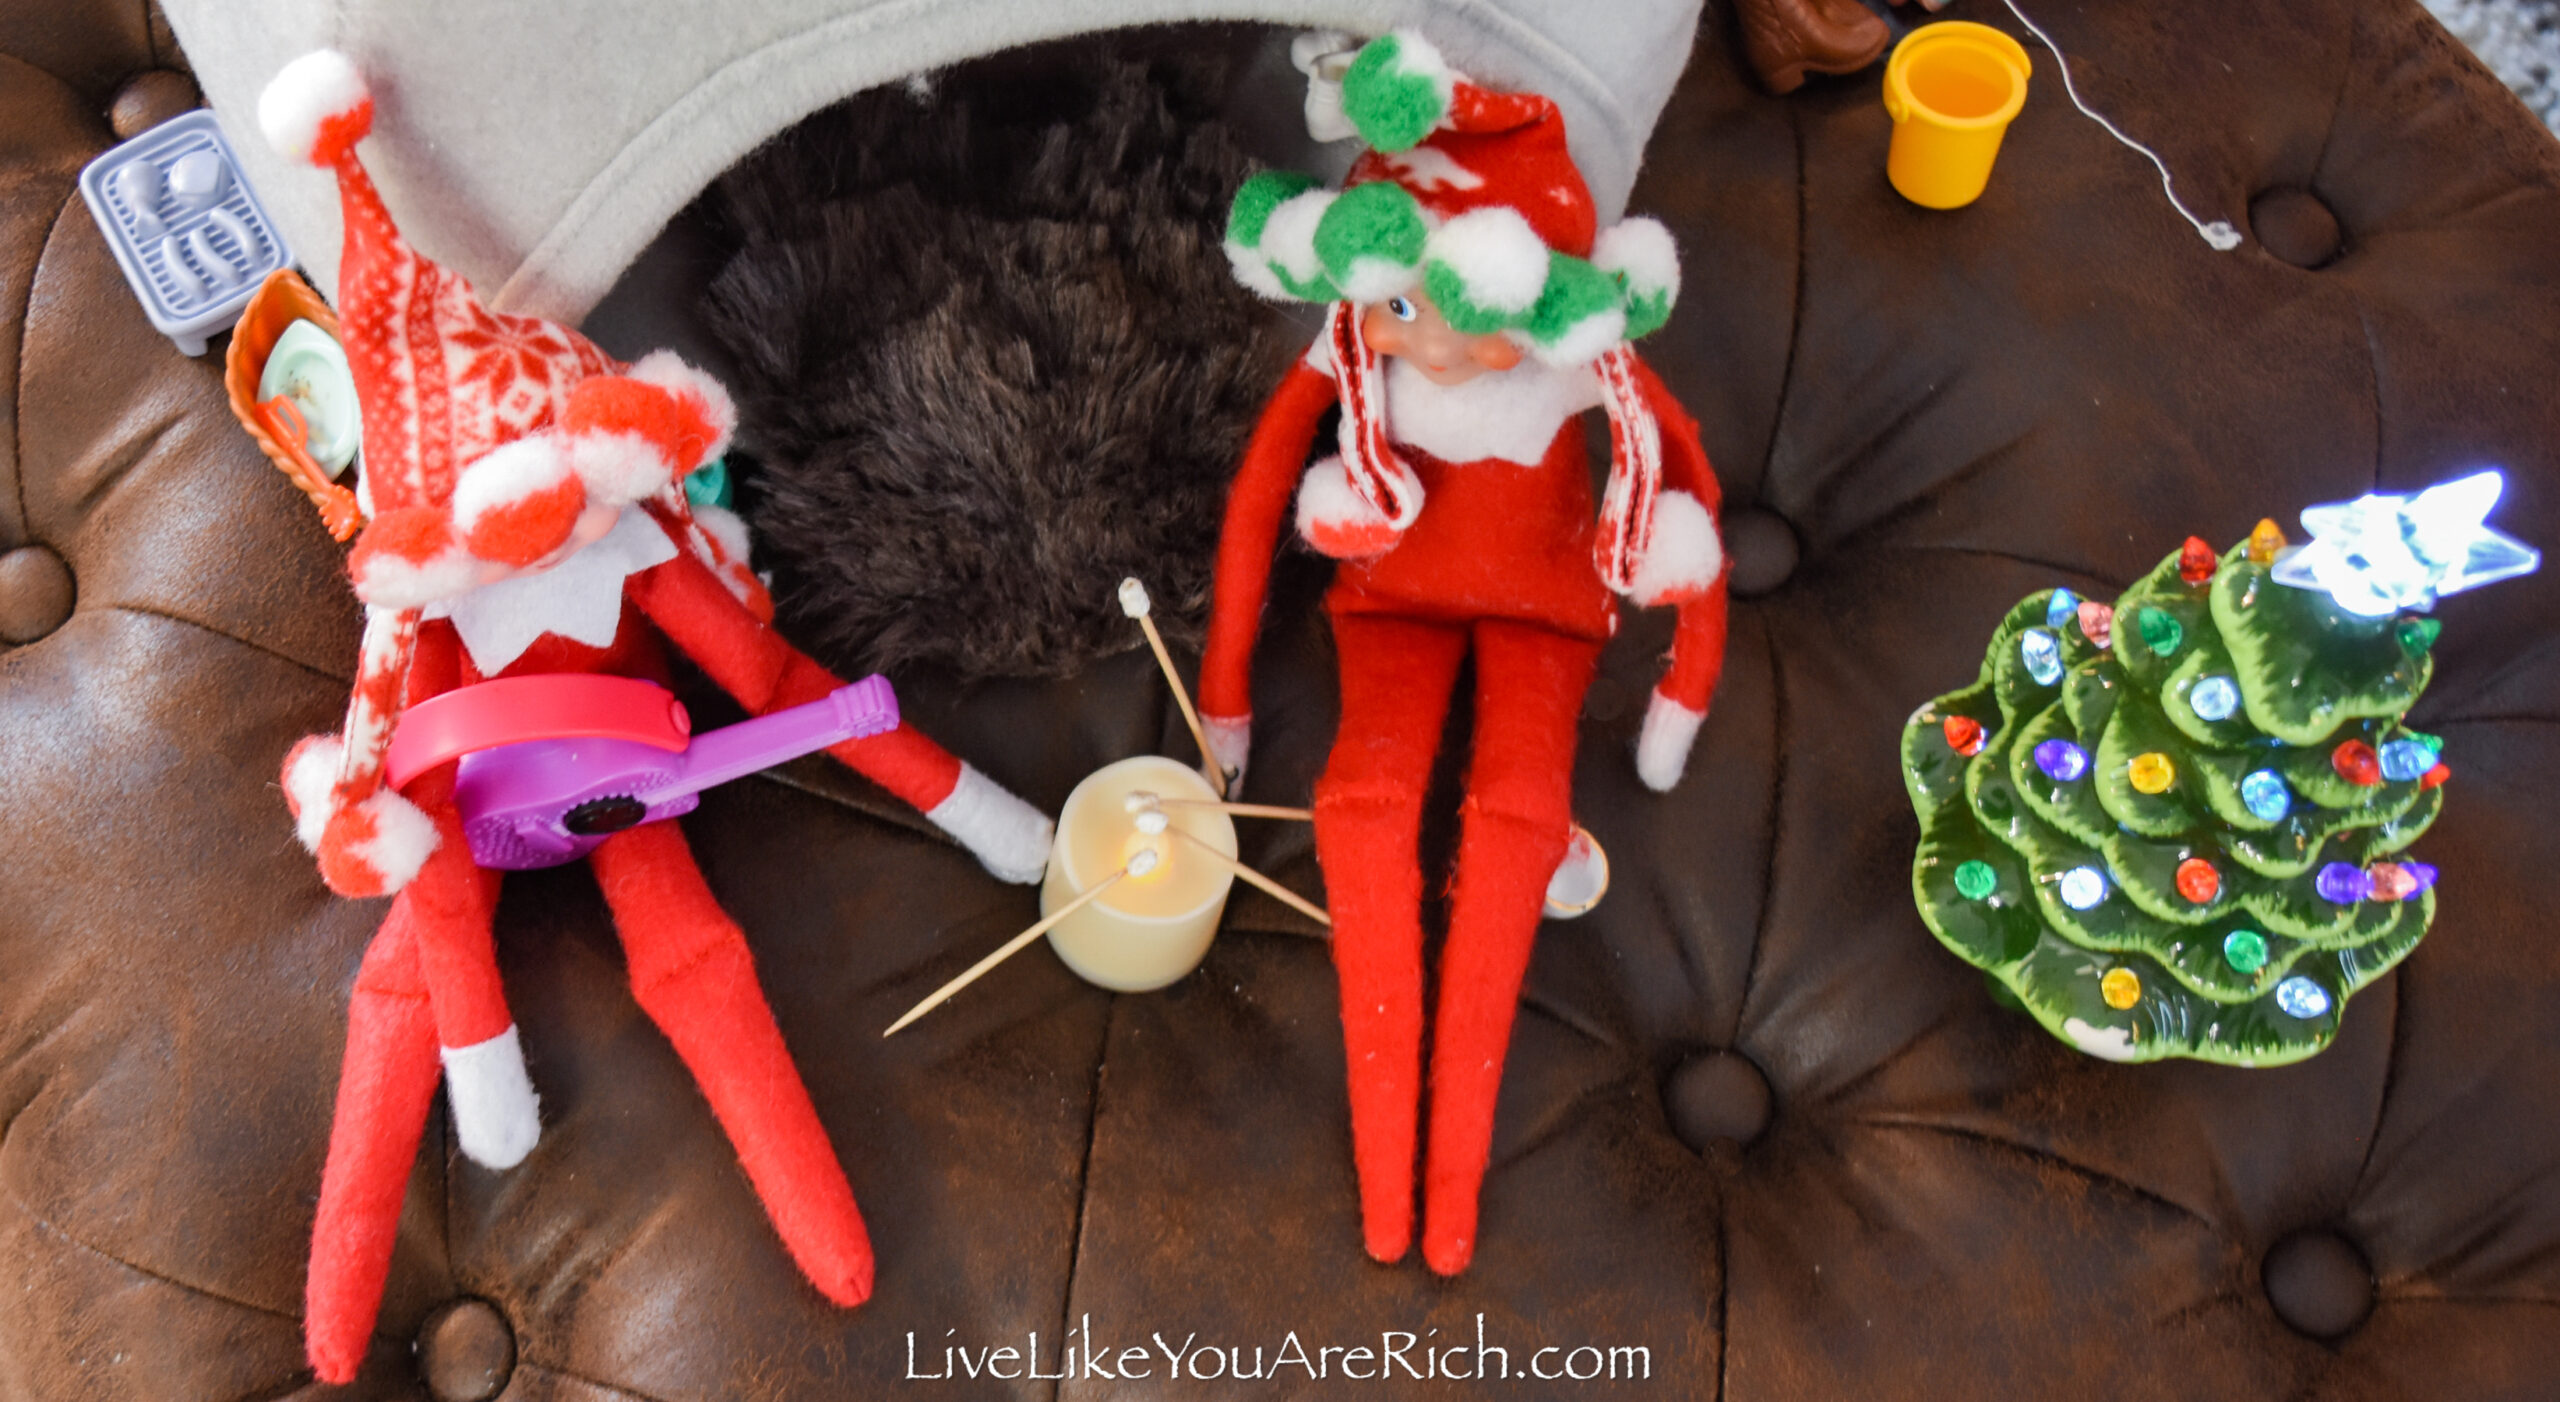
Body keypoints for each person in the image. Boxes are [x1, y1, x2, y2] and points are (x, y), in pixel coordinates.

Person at [1205, 30, 1731, 1275]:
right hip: (1388, 604)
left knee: (1516, 816)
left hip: (1548, 615)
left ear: (1543, 302)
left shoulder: (1586, 367)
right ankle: (1392, 1192)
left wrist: (1682, 689)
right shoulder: (1346, 354)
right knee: (1362, 800)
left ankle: (1449, 1198)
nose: (1433, 350)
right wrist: (1221, 692)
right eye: (1399, 311)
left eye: (1475, 325)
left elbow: (1688, 482)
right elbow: (1258, 498)